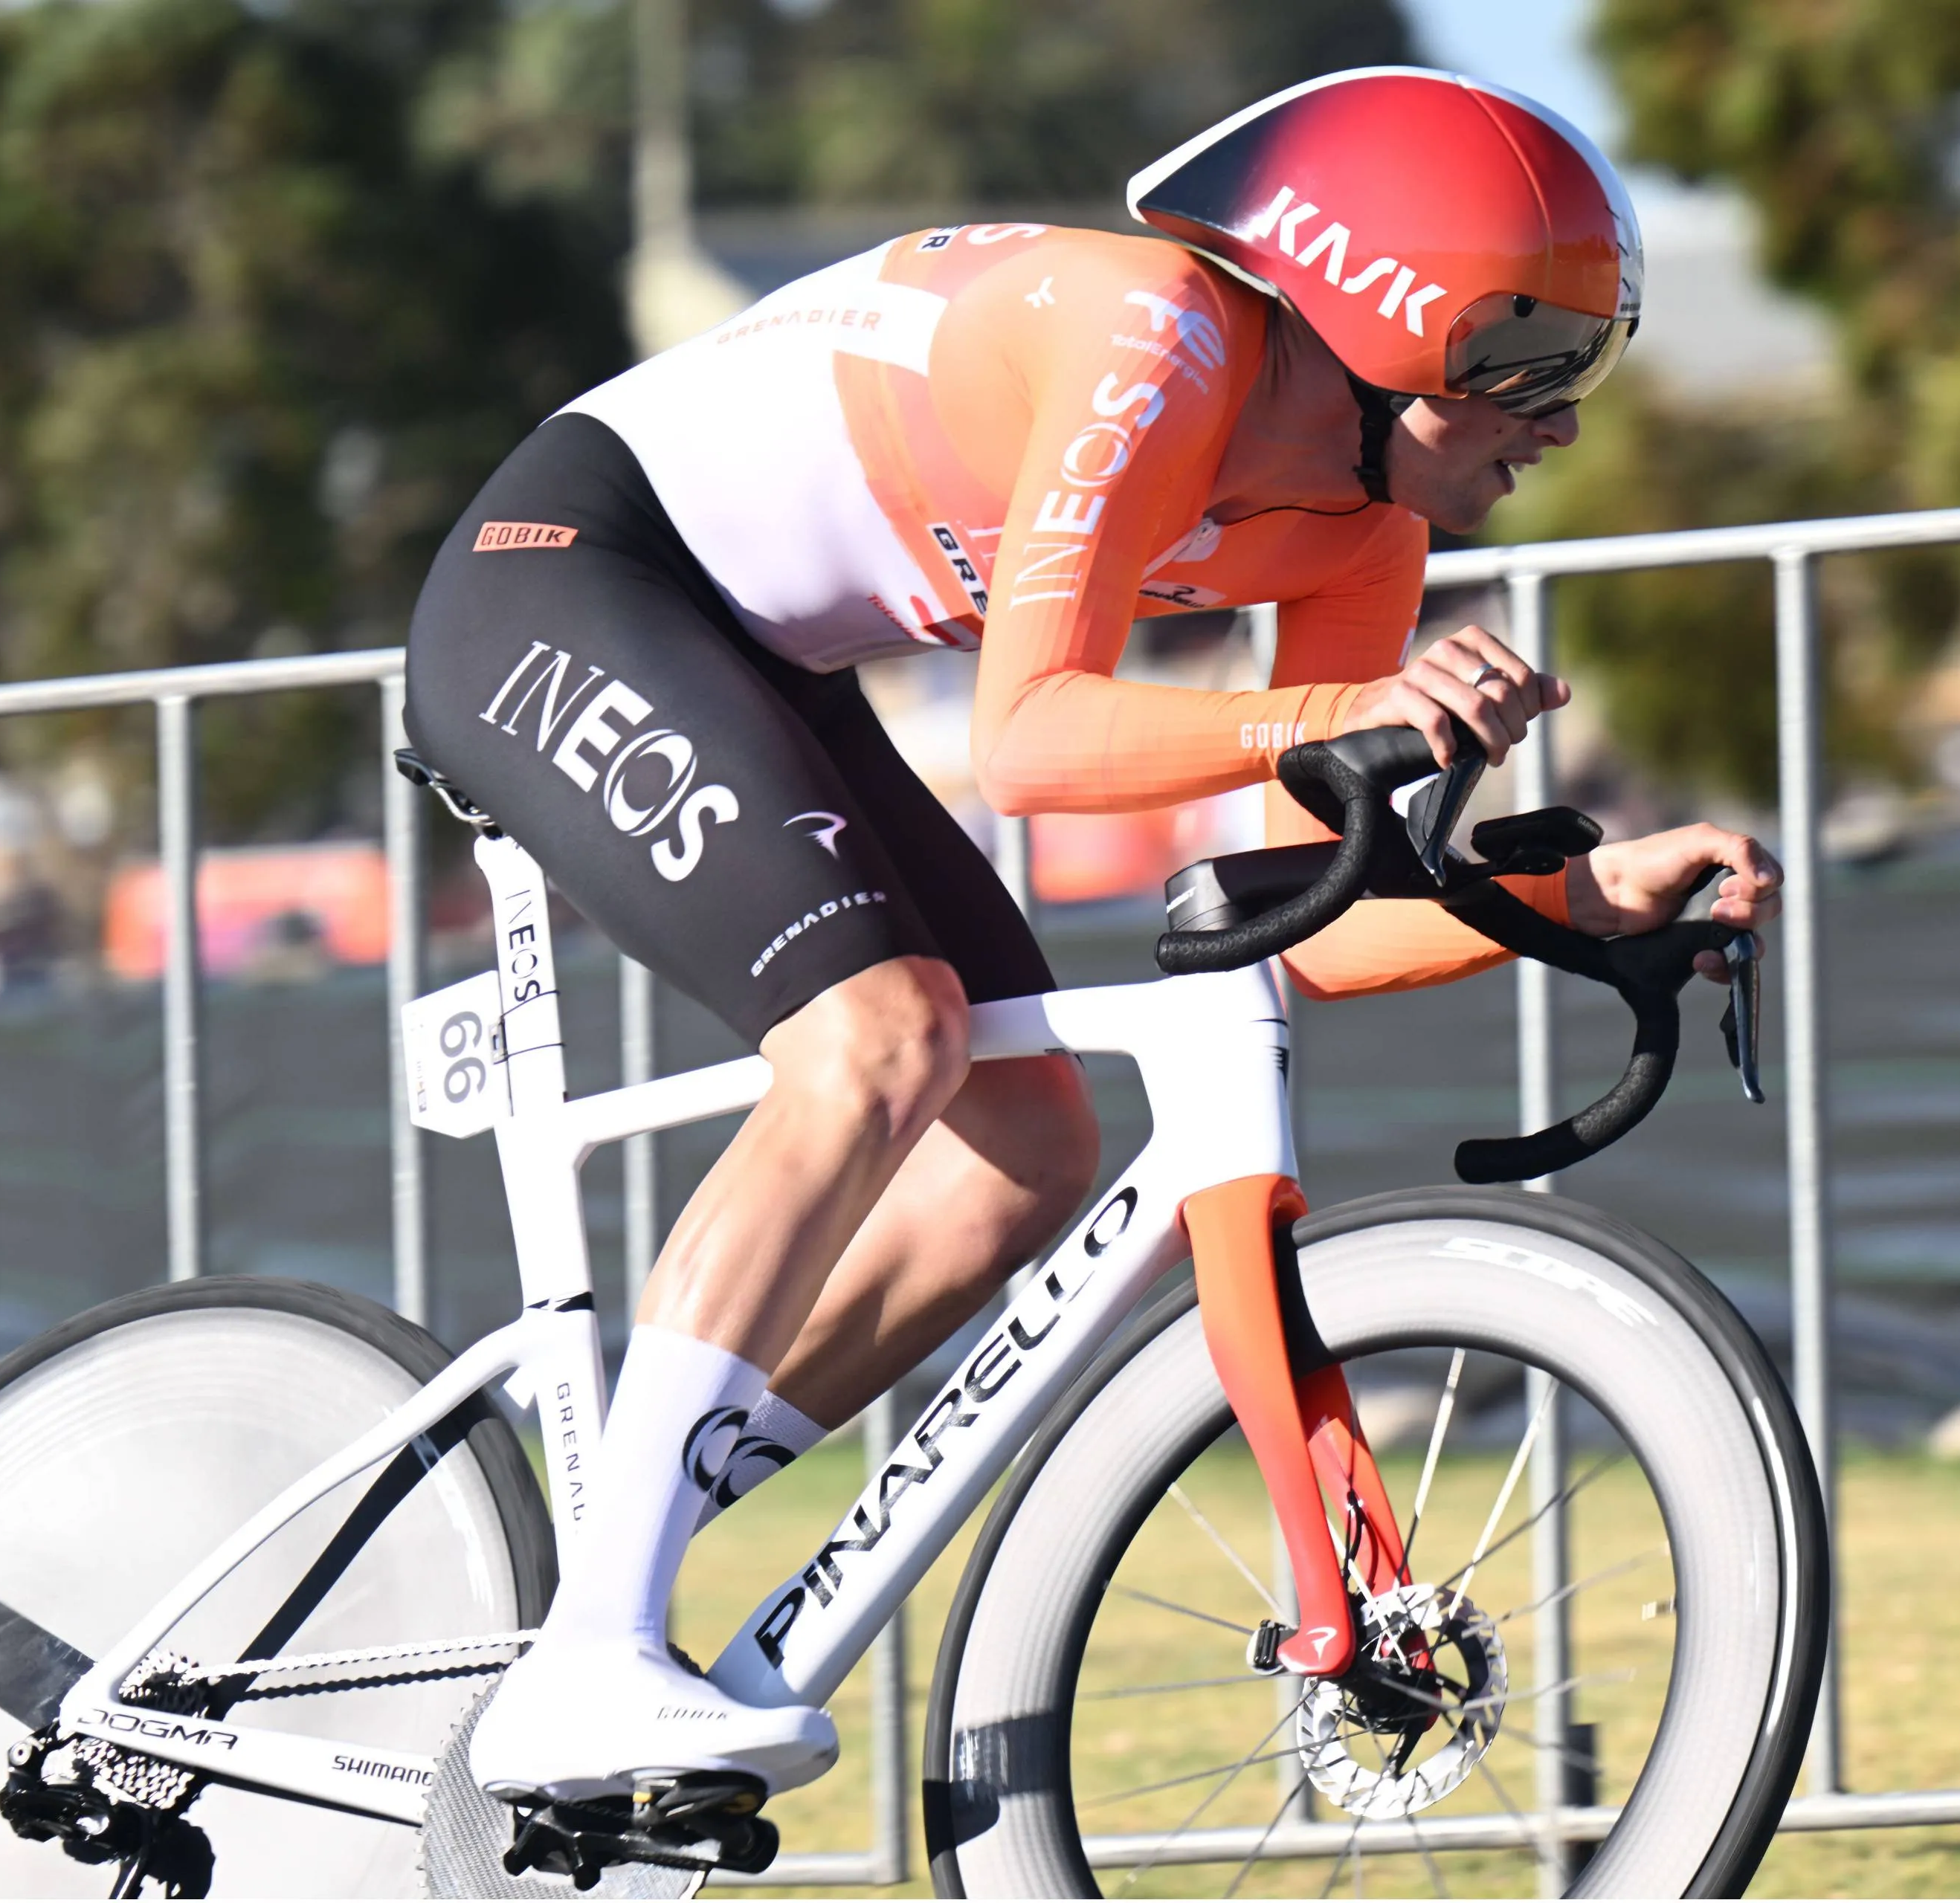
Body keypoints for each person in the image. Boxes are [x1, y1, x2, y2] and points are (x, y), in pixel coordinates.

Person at [402, 65, 1783, 1810]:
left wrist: (1583, 900)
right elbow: (1036, 739)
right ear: (1373, 309)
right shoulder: (1156, 337)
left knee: (1022, 1149)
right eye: (1528, 362)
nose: (1562, 422)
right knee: (881, 1039)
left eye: (1586, 368)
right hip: (568, 573)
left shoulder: (1361, 528)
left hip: (764, 659)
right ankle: (592, 1650)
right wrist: (1346, 709)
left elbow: (1322, 921)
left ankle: (596, 1567)